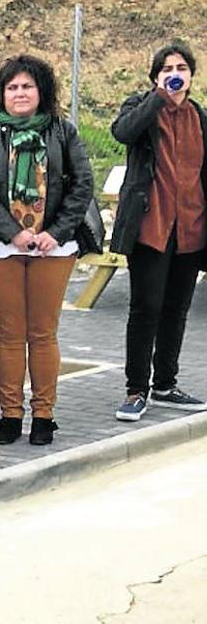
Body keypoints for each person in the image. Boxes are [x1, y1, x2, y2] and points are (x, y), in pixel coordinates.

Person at [0, 56, 93, 446]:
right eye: (12, 87)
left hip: (53, 246)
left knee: (42, 332)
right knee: (9, 332)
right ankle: (9, 414)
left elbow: (82, 184)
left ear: (42, 91)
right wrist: (12, 233)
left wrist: (55, 231)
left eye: (27, 86)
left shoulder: (62, 132)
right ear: (1, 94)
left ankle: (43, 415)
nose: (19, 94)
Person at [112, 42, 207, 422]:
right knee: (145, 308)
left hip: (191, 227)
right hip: (151, 227)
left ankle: (166, 384)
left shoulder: (199, 116)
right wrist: (157, 98)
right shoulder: (141, 109)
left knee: (176, 309)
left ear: (191, 75)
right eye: (167, 67)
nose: (175, 72)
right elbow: (122, 132)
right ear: (155, 76)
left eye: (182, 67)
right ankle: (137, 389)